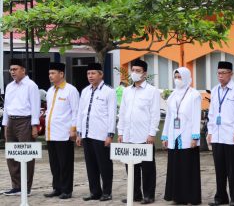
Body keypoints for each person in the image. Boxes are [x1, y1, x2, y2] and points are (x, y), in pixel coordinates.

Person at [117, 59, 160, 205]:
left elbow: (155, 114)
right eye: (133, 70)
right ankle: (135, 194)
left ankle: (148, 195)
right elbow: (122, 113)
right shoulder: (127, 91)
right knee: (131, 167)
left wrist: (152, 133)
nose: (134, 73)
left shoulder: (152, 91)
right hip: (129, 135)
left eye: (138, 71)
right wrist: (121, 132)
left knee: (147, 168)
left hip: (144, 136)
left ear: (145, 73)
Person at [207, 61, 234, 206]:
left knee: (233, 169)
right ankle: (220, 197)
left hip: (231, 136)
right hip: (217, 136)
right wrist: (210, 131)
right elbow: (212, 113)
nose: (220, 76)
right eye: (218, 73)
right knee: (219, 169)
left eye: (224, 73)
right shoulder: (215, 90)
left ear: (231, 73)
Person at [76, 62, 117, 202]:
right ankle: (95, 191)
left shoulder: (109, 91)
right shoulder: (85, 91)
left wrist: (110, 134)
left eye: (93, 73)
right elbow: (81, 113)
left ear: (101, 74)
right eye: (88, 73)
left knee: (104, 165)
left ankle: (107, 192)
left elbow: (112, 114)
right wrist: (79, 133)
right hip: (87, 134)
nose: (90, 76)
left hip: (101, 135)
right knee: (91, 165)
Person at [161, 67, 202, 205]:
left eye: (180, 77)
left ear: (186, 77)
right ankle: (177, 196)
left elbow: (196, 116)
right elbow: (169, 117)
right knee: (175, 167)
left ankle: (190, 197)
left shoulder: (194, 94)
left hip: (187, 136)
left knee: (188, 166)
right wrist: (165, 136)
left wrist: (195, 137)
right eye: (176, 77)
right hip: (174, 136)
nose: (177, 80)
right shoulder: (173, 95)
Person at [2, 58, 40, 196]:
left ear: (23, 70)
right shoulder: (9, 86)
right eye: (11, 69)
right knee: (11, 155)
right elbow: (6, 107)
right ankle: (16, 186)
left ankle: (26, 187)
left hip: (25, 121)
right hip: (11, 121)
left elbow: (36, 106)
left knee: (26, 154)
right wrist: (5, 126)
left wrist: (35, 126)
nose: (12, 72)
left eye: (15, 69)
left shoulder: (31, 85)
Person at [44, 62, 80, 199]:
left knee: (65, 163)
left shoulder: (71, 90)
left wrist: (73, 130)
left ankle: (66, 189)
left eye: (53, 73)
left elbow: (76, 112)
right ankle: (57, 188)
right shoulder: (50, 91)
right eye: (49, 73)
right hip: (51, 133)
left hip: (64, 134)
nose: (50, 76)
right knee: (54, 164)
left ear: (61, 74)